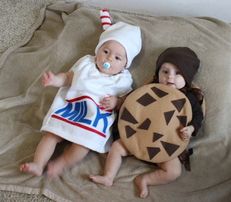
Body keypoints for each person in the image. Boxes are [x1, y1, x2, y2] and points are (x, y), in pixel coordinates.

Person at [19, 21, 142, 178]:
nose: (109, 58)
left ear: (125, 64)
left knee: (83, 145)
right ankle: (38, 163)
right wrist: (55, 80)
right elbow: (69, 78)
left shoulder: (123, 79)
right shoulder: (86, 63)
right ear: (98, 50)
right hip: (72, 107)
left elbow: (126, 102)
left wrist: (116, 102)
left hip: (94, 115)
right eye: (105, 51)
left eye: (117, 57)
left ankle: (61, 164)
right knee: (50, 136)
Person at [89, 47, 204, 198]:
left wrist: (191, 128)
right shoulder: (149, 90)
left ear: (187, 78)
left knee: (174, 171)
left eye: (178, 73)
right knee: (117, 147)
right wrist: (117, 102)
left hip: (165, 145)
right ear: (157, 73)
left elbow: (198, 116)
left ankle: (145, 180)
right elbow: (131, 103)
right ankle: (108, 177)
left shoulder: (189, 99)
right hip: (137, 137)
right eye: (165, 71)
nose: (170, 77)